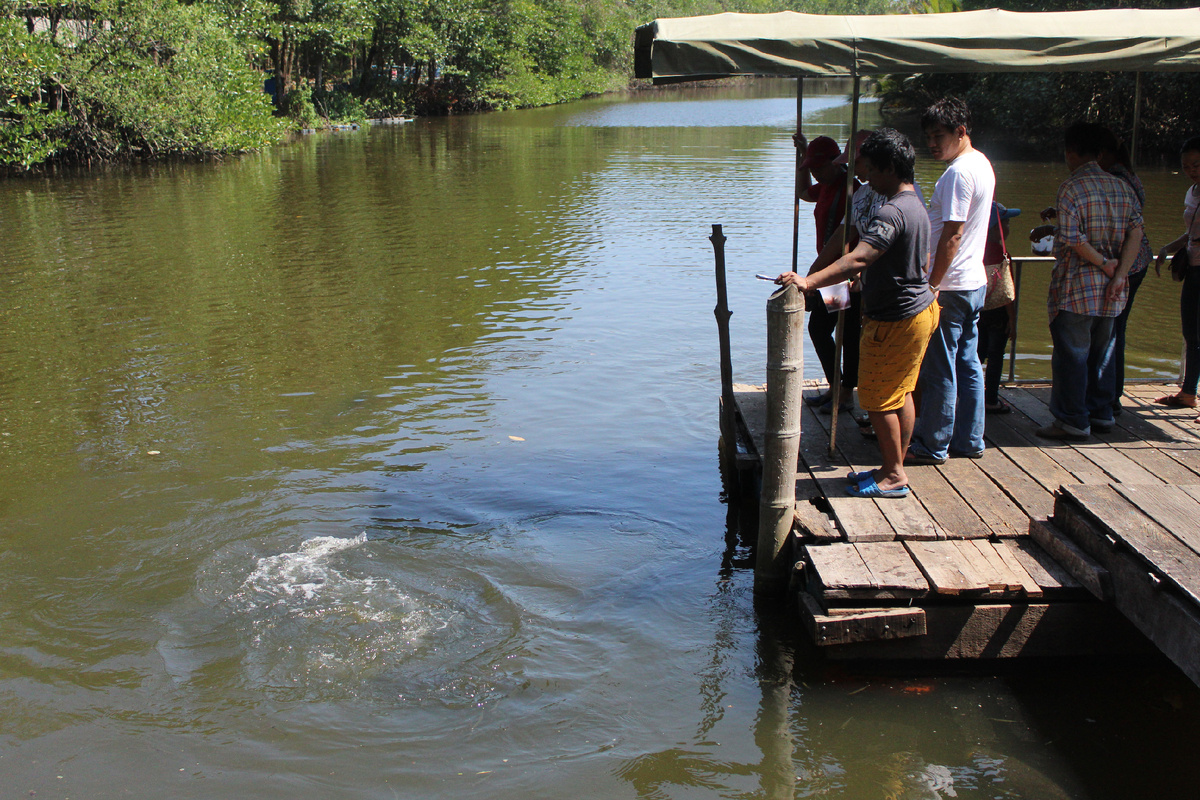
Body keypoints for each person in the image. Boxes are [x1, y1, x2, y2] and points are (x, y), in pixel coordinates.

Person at [775, 128, 938, 498]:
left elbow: (859, 256)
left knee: (878, 398)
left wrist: (810, 281)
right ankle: (890, 465)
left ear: (889, 169)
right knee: (900, 392)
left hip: (895, 317)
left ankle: (895, 476)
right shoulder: (915, 205)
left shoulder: (893, 211)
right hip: (918, 310)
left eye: (869, 169)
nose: (864, 176)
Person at [1038, 122, 1143, 441]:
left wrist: (1105, 264)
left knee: (1072, 355)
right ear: (1100, 152)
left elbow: (1072, 238)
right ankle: (1101, 414)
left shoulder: (1071, 186)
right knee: (1103, 353)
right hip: (1112, 292)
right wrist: (1120, 273)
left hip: (1076, 290)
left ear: (1070, 152)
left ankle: (1072, 419)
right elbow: (1136, 232)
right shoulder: (1121, 186)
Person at [908, 96, 995, 465]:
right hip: (973, 280)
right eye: (928, 136)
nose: (932, 143)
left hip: (953, 283)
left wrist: (932, 285)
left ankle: (934, 443)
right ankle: (970, 439)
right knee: (968, 363)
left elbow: (953, 235)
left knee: (940, 367)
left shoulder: (959, 173)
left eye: (939, 135)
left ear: (961, 132)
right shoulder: (981, 163)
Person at [793, 134, 857, 413]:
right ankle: (837, 388)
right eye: (812, 169)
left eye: (819, 167)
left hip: (846, 276)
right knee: (821, 330)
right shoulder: (826, 186)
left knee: (845, 332)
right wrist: (802, 159)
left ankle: (844, 393)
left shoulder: (851, 189)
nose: (815, 173)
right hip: (829, 273)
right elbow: (803, 194)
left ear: (836, 162)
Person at [1097, 129, 1154, 415]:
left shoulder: (1117, 180)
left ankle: (1109, 397)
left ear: (1104, 155)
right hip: (1138, 261)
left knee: (1111, 330)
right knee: (1116, 329)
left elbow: (1116, 222)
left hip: (1127, 262)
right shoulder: (1130, 175)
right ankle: (1111, 394)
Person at [1153, 136, 1200, 411]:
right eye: (1186, 167)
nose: (1192, 171)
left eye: (1196, 165)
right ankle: (1187, 393)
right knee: (1191, 333)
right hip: (1194, 267)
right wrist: (1168, 247)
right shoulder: (1192, 192)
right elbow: (1192, 232)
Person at [977, 202, 1021, 414]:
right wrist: (1012, 320)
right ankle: (991, 399)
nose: (1010, 228)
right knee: (996, 356)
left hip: (979, 309)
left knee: (976, 354)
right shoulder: (1002, 254)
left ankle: (971, 396)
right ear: (996, 228)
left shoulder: (975, 249)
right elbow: (1007, 292)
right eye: (1007, 223)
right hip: (999, 313)